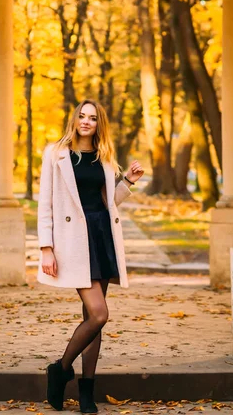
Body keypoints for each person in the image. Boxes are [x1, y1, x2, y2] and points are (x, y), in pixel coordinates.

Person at [37, 99, 144, 413]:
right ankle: (60, 369)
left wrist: (128, 182)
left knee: (92, 321)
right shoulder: (56, 154)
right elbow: (46, 203)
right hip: (72, 242)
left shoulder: (104, 156)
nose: (86, 121)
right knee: (99, 314)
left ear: (99, 124)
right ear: (75, 119)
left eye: (93, 118)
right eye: (82, 116)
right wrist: (46, 248)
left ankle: (86, 392)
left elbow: (107, 202)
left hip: (101, 238)